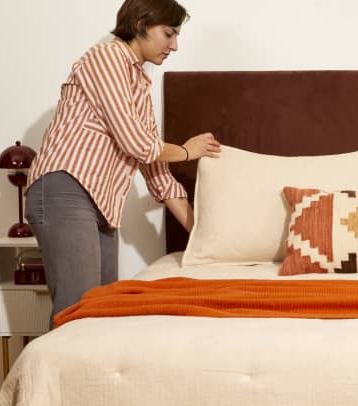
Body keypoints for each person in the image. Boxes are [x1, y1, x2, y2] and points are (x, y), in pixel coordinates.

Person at [26, 0, 221, 327]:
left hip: (100, 203)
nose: (174, 45)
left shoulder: (140, 84)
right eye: (169, 33)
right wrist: (188, 151)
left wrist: (201, 233)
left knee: (100, 312)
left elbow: (157, 172)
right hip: (65, 188)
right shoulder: (106, 59)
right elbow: (138, 143)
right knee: (76, 312)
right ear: (141, 24)